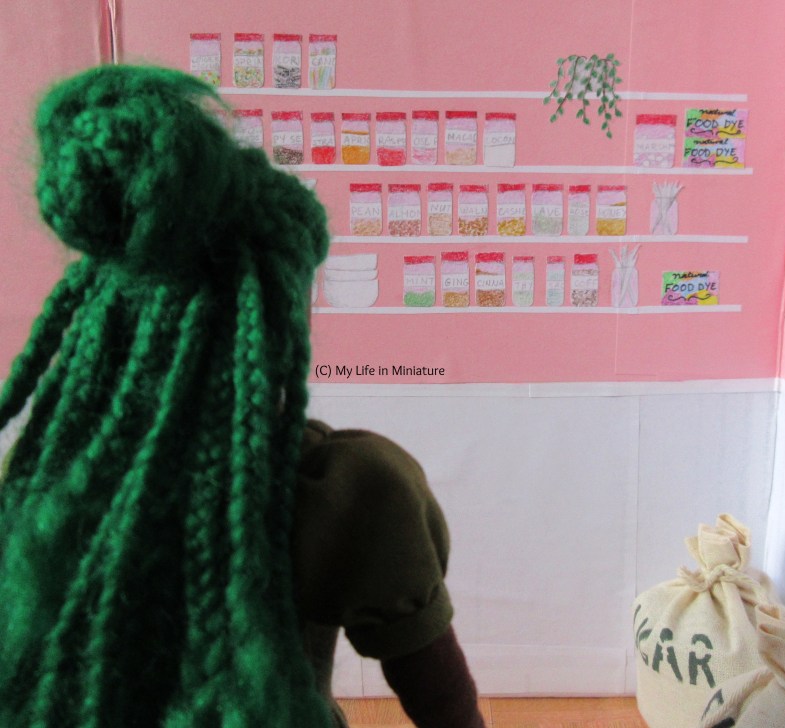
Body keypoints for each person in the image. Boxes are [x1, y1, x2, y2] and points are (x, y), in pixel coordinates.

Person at [0, 64, 484, 728]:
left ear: (104, 317)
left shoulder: (46, 488)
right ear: (276, 316)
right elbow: (444, 704)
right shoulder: (350, 490)